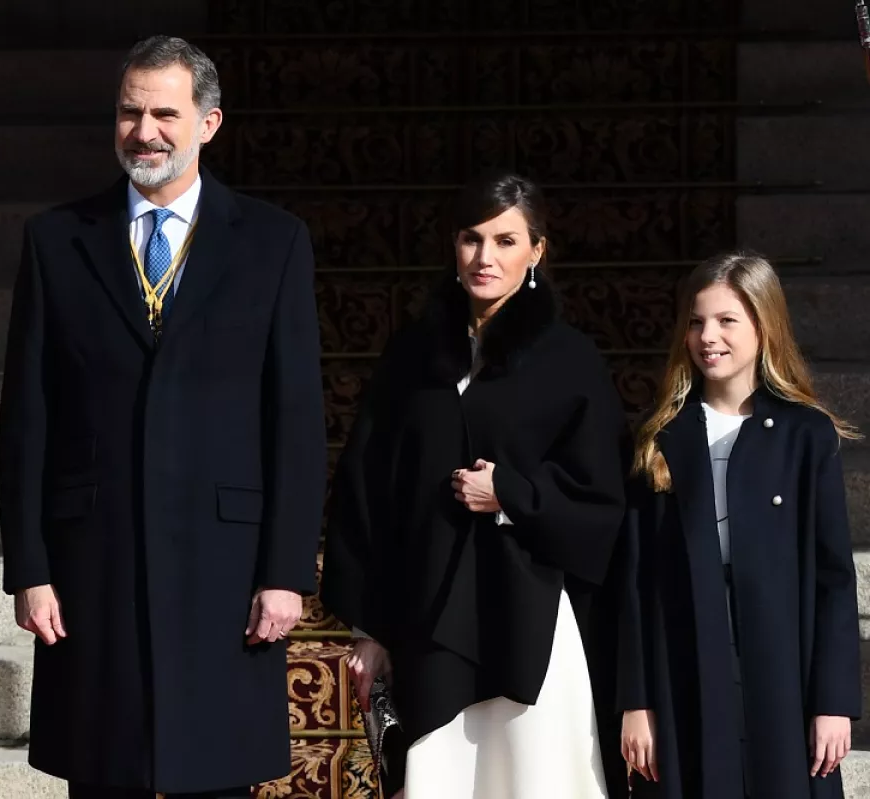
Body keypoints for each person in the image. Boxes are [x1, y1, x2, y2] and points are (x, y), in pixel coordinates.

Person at [0, 35, 327, 798]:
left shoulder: (273, 242)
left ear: (208, 123)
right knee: (103, 767)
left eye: (165, 114)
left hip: (225, 563)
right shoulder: (56, 240)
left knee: (215, 769)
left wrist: (284, 570)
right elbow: (28, 418)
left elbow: (296, 418)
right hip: (94, 560)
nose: (145, 131)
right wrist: (32, 567)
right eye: (129, 112)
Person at [320, 173, 631, 799]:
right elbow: (368, 488)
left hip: (532, 619)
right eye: (471, 238)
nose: (485, 258)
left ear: (537, 250)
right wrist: (370, 628)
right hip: (428, 617)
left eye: (505, 240)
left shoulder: (570, 360)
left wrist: (512, 496)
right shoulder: (411, 356)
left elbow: (604, 503)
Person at [617, 253, 861, 799]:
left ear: (764, 325)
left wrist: (834, 702)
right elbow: (637, 578)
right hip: (684, 655)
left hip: (783, 661)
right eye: (698, 321)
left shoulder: (806, 435)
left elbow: (833, 579)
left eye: (728, 320)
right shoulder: (661, 436)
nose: (709, 336)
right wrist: (636, 701)